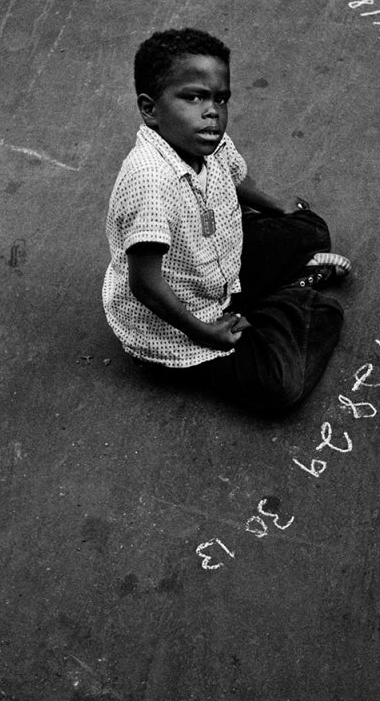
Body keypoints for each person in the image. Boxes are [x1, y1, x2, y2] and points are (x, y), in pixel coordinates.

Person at [102, 28, 350, 413]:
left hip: (217, 259)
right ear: (150, 109)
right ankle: (292, 297)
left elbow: (237, 178)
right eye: (194, 97)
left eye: (221, 98)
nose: (212, 111)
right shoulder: (148, 179)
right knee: (283, 383)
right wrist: (207, 332)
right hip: (179, 325)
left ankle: (269, 294)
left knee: (311, 230)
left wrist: (278, 208)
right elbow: (146, 285)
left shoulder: (207, 138)